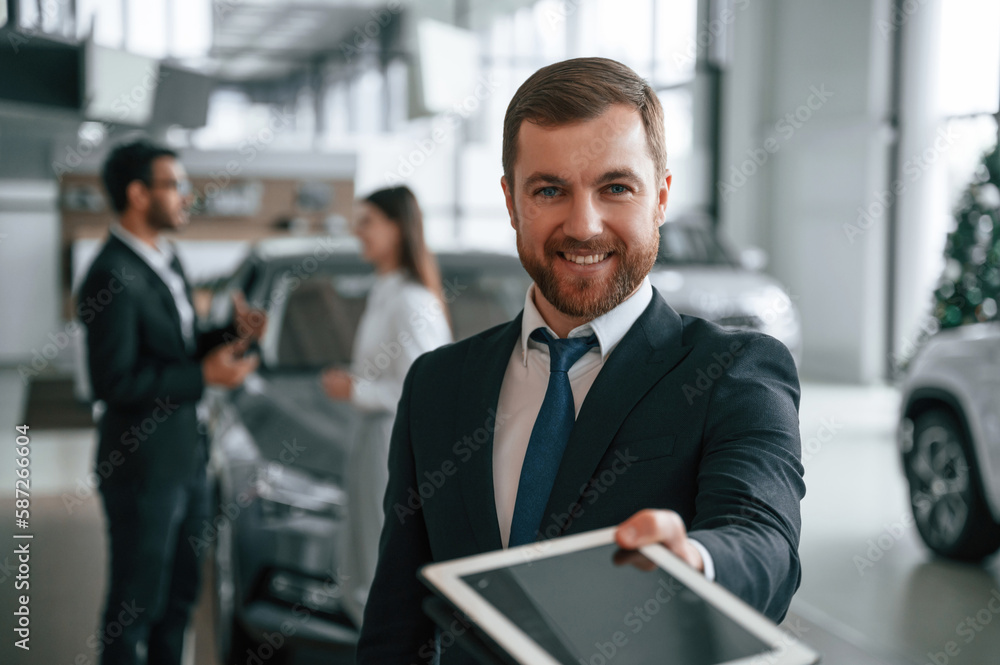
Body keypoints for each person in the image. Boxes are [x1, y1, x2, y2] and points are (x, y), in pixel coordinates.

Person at [357, 57, 806, 664]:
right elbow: (395, 622)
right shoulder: (438, 385)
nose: (584, 224)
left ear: (662, 197)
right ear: (512, 204)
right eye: (549, 190)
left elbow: (764, 542)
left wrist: (692, 563)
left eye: (615, 187)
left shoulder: (735, 372)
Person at [80, 139, 266, 665]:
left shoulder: (167, 257)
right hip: (141, 466)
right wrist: (201, 375)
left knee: (180, 600)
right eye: (176, 185)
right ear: (139, 194)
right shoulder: (110, 274)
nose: (189, 196)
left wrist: (228, 332)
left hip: (187, 457)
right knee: (134, 607)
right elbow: (113, 383)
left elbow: (176, 346)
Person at [321, 185, 453, 627]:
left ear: (396, 228)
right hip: (373, 435)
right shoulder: (386, 291)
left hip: (391, 440)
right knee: (364, 556)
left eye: (367, 222)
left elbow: (428, 390)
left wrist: (356, 390)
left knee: (382, 559)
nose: (357, 232)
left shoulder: (412, 300)